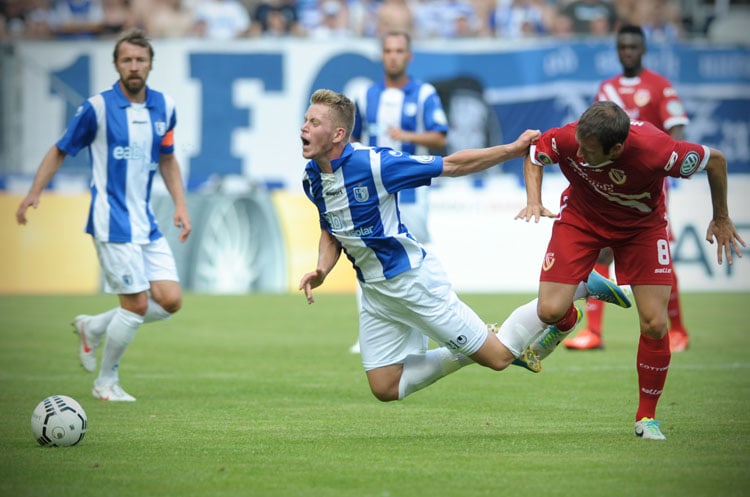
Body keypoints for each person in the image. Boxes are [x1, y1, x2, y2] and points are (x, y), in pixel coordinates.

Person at [297, 89, 631, 403]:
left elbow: (453, 165)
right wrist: (322, 269)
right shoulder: (311, 177)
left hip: (412, 283)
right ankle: (477, 341)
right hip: (375, 292)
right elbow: (332, 228)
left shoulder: (374, 164)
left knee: (499, 357)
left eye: (314, 122)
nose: (304, 128)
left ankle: (579, 287)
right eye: (306, 120)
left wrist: (512, 150)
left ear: (339, 134)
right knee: (385, 386)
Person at [516, 101, 745, 439]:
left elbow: (717, 160)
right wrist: (533, 199)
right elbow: (535, 155)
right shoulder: (571, 138)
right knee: (549, 310)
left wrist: (722, 216)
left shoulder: (658, 150)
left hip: (642, 229)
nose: (578, 153)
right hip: (581, 221)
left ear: (618, 148)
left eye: (588, 150)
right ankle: (576, 307)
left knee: (654, 323)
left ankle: (646, 418)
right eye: (578, 143)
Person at [15, 28, 192, 402]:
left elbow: (167, 158)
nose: (133, 66)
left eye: (140, 60)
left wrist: (180, 204)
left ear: (150, 65)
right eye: (126, 60)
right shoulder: (96, 107)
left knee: (171, 300)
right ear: (115, 64)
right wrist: (34, 192)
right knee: (137, 305)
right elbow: (61, 149)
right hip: (110, 219)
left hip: (145, 219)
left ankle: (92, 327)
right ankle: (105, 382)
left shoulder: (166, 107)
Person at [566, 23, 691, 352]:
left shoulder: (660, 86)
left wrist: (666, 163)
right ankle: (593, 331)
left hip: (648, 184)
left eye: (633, 47)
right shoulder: (607, 89)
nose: (627, 52)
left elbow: (677, 129)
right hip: (609, 183)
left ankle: (678, 329)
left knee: (659, 256)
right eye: (622, 47)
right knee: (602, 248)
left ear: (643, 49)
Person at [348, 30, 448, 353]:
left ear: (409, 56)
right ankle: (369, 334)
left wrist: (406, 134)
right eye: (388, 50)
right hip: (373, 195)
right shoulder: (365, 96)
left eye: (399, 50)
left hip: (412, 194)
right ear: (382, 55)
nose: (393, 55)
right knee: (369, 257)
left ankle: (430, 326)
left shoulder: (424, 94)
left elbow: (440, 138)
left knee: (418, 258)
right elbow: (353, 138)